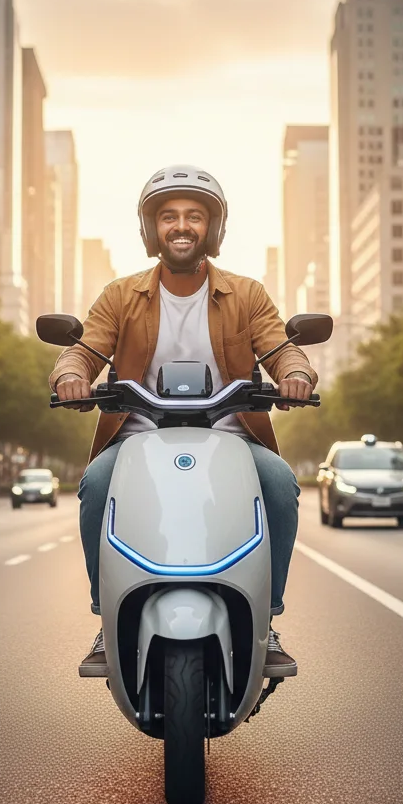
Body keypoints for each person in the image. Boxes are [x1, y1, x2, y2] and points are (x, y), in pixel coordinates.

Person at [50, 165, 319, 678]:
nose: (181, 226)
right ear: (152, 230)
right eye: (169, 216)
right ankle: (107, 619)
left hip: (232, 437)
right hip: (137, 438)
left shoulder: (246, 294)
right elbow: (82, 351)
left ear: (213, 229)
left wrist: (297, 373)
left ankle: (268, 617)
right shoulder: (119, 295)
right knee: (95, 484)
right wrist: (69, 375)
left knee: (281, 484)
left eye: (195, 216)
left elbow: (283, 349)